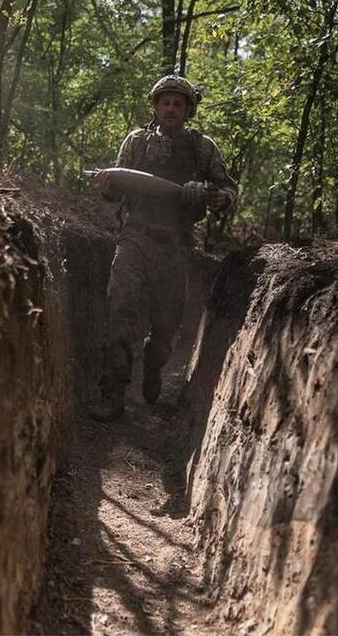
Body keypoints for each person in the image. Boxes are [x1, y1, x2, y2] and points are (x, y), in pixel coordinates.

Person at [89, 75, 237, 422]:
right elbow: (116, 188)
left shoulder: (203, 148)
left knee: (166, 328)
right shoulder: (136, 142)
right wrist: (105, 185)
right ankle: (112, 394)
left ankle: (154, 365)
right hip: (135, 238)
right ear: (155, 107)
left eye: (178, 104)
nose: (171, 109)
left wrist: (212, 195)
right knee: (120, 312)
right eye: (165, 102)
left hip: (176, 246)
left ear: (188, 111)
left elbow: (227, 189)